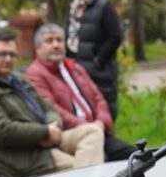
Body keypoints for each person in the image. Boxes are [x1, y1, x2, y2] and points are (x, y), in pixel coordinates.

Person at [0, 31, 105, 177]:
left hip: (46, 141)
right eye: (2, 54)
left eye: (12, 55)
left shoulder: (16, 78)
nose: (8, 59)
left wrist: (53, 129)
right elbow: (0, 130)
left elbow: (49, 108)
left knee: (93, 131)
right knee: (82, 171)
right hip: (18, 158)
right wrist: (43, 133)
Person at [26, 23, 136, 162]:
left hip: (98, 129)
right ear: (37, 48)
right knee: (106, 166)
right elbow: (52, 108)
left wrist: (101, 122)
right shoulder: (35, 74)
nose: (56, 45)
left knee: (135, 158)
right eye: (49, 41)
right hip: (71, 133)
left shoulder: (75, 68)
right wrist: (86, 126)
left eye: (59, 40)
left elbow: (98, 98)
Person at [66, 0, 122, 119]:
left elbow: (115, 37)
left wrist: (98, 61)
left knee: (104, 115)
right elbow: (70, 36)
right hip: (77, 70)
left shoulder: (104, 6)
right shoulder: (75, 8)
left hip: (100, 73)